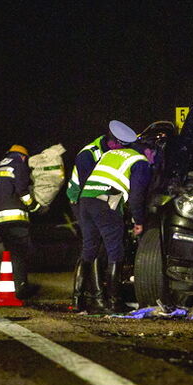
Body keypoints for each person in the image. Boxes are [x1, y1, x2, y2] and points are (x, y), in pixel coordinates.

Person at [77, 120, 155, 313]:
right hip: (106, 203)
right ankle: (115, 303)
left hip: (86, 200)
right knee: (115, 252)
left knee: (89, 249)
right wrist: (139, 221)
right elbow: (136, 196)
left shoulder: (109, 154)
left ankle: (80, 300)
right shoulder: (139, 161)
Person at [66, 123, 121, 311]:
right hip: (81, 198)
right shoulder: (88, 154)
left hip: (99, 198)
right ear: (111, 142)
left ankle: (84, 297)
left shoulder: (112, 151)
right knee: (94, 245)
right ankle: (95, 297)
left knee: (97, 246)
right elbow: (89, 188)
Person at [0, 144, 42, 299]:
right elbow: (22, 190)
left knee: (9, 253)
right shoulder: (18, 164)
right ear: (23, 157)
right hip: (15, 218)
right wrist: (34, 206)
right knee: (21, 253)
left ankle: (0, 283)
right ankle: (20, 288)